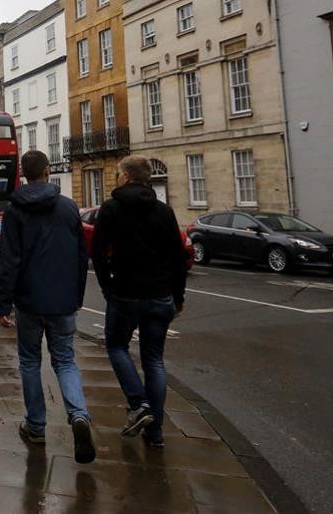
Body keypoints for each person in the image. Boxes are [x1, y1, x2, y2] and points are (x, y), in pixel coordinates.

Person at [0, 150, 95, 464]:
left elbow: (9, 260)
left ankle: (36, 426)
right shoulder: (68, 208)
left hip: (29, 300)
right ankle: (78, 415)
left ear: (23, 174)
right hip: (62, 300)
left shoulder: (13, 210)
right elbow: (82, 257)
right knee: (65, 361)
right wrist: (77, 296)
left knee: (29, 361)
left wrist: (3, 304)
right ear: (48, 171)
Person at [91, 155, 187, 448]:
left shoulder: (111, 209)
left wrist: (107, 285)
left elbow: (96, 252)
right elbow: (178, 257)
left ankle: (138, 403)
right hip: (160, 294)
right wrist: (178, 296)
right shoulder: (164, 211)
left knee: (117, 346)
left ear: (127, 177)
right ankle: (154, 433)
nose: (117, 179)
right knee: (154, 360)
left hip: (125, 293)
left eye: (119, 174)